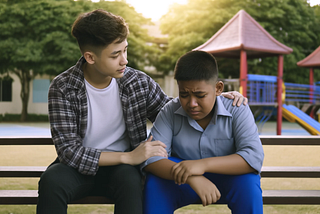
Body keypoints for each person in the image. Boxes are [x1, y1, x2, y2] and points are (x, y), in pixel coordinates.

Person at [36, 9, 247, 214]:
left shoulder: (138, 82)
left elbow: (174, 113)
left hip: (123, 172)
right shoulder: (63, 87)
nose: (124, 60)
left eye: (125, 50)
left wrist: (215, 98)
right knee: (52, 180)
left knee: (130, 179)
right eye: (115, 55)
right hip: (79, 169)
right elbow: (69, 151)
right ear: (90, 57)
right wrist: (127, 157)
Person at [142, 50, 264, 214]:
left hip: (229, 179)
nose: (192, 103)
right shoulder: (170, 111)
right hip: (182, 180)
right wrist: (192, 176)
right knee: (154, 184)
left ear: (218, 88)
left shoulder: (237, 109)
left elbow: (253, 156)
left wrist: (201, 165)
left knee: (248, 183)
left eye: (200, 95)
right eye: (184, 94)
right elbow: (152, 157)